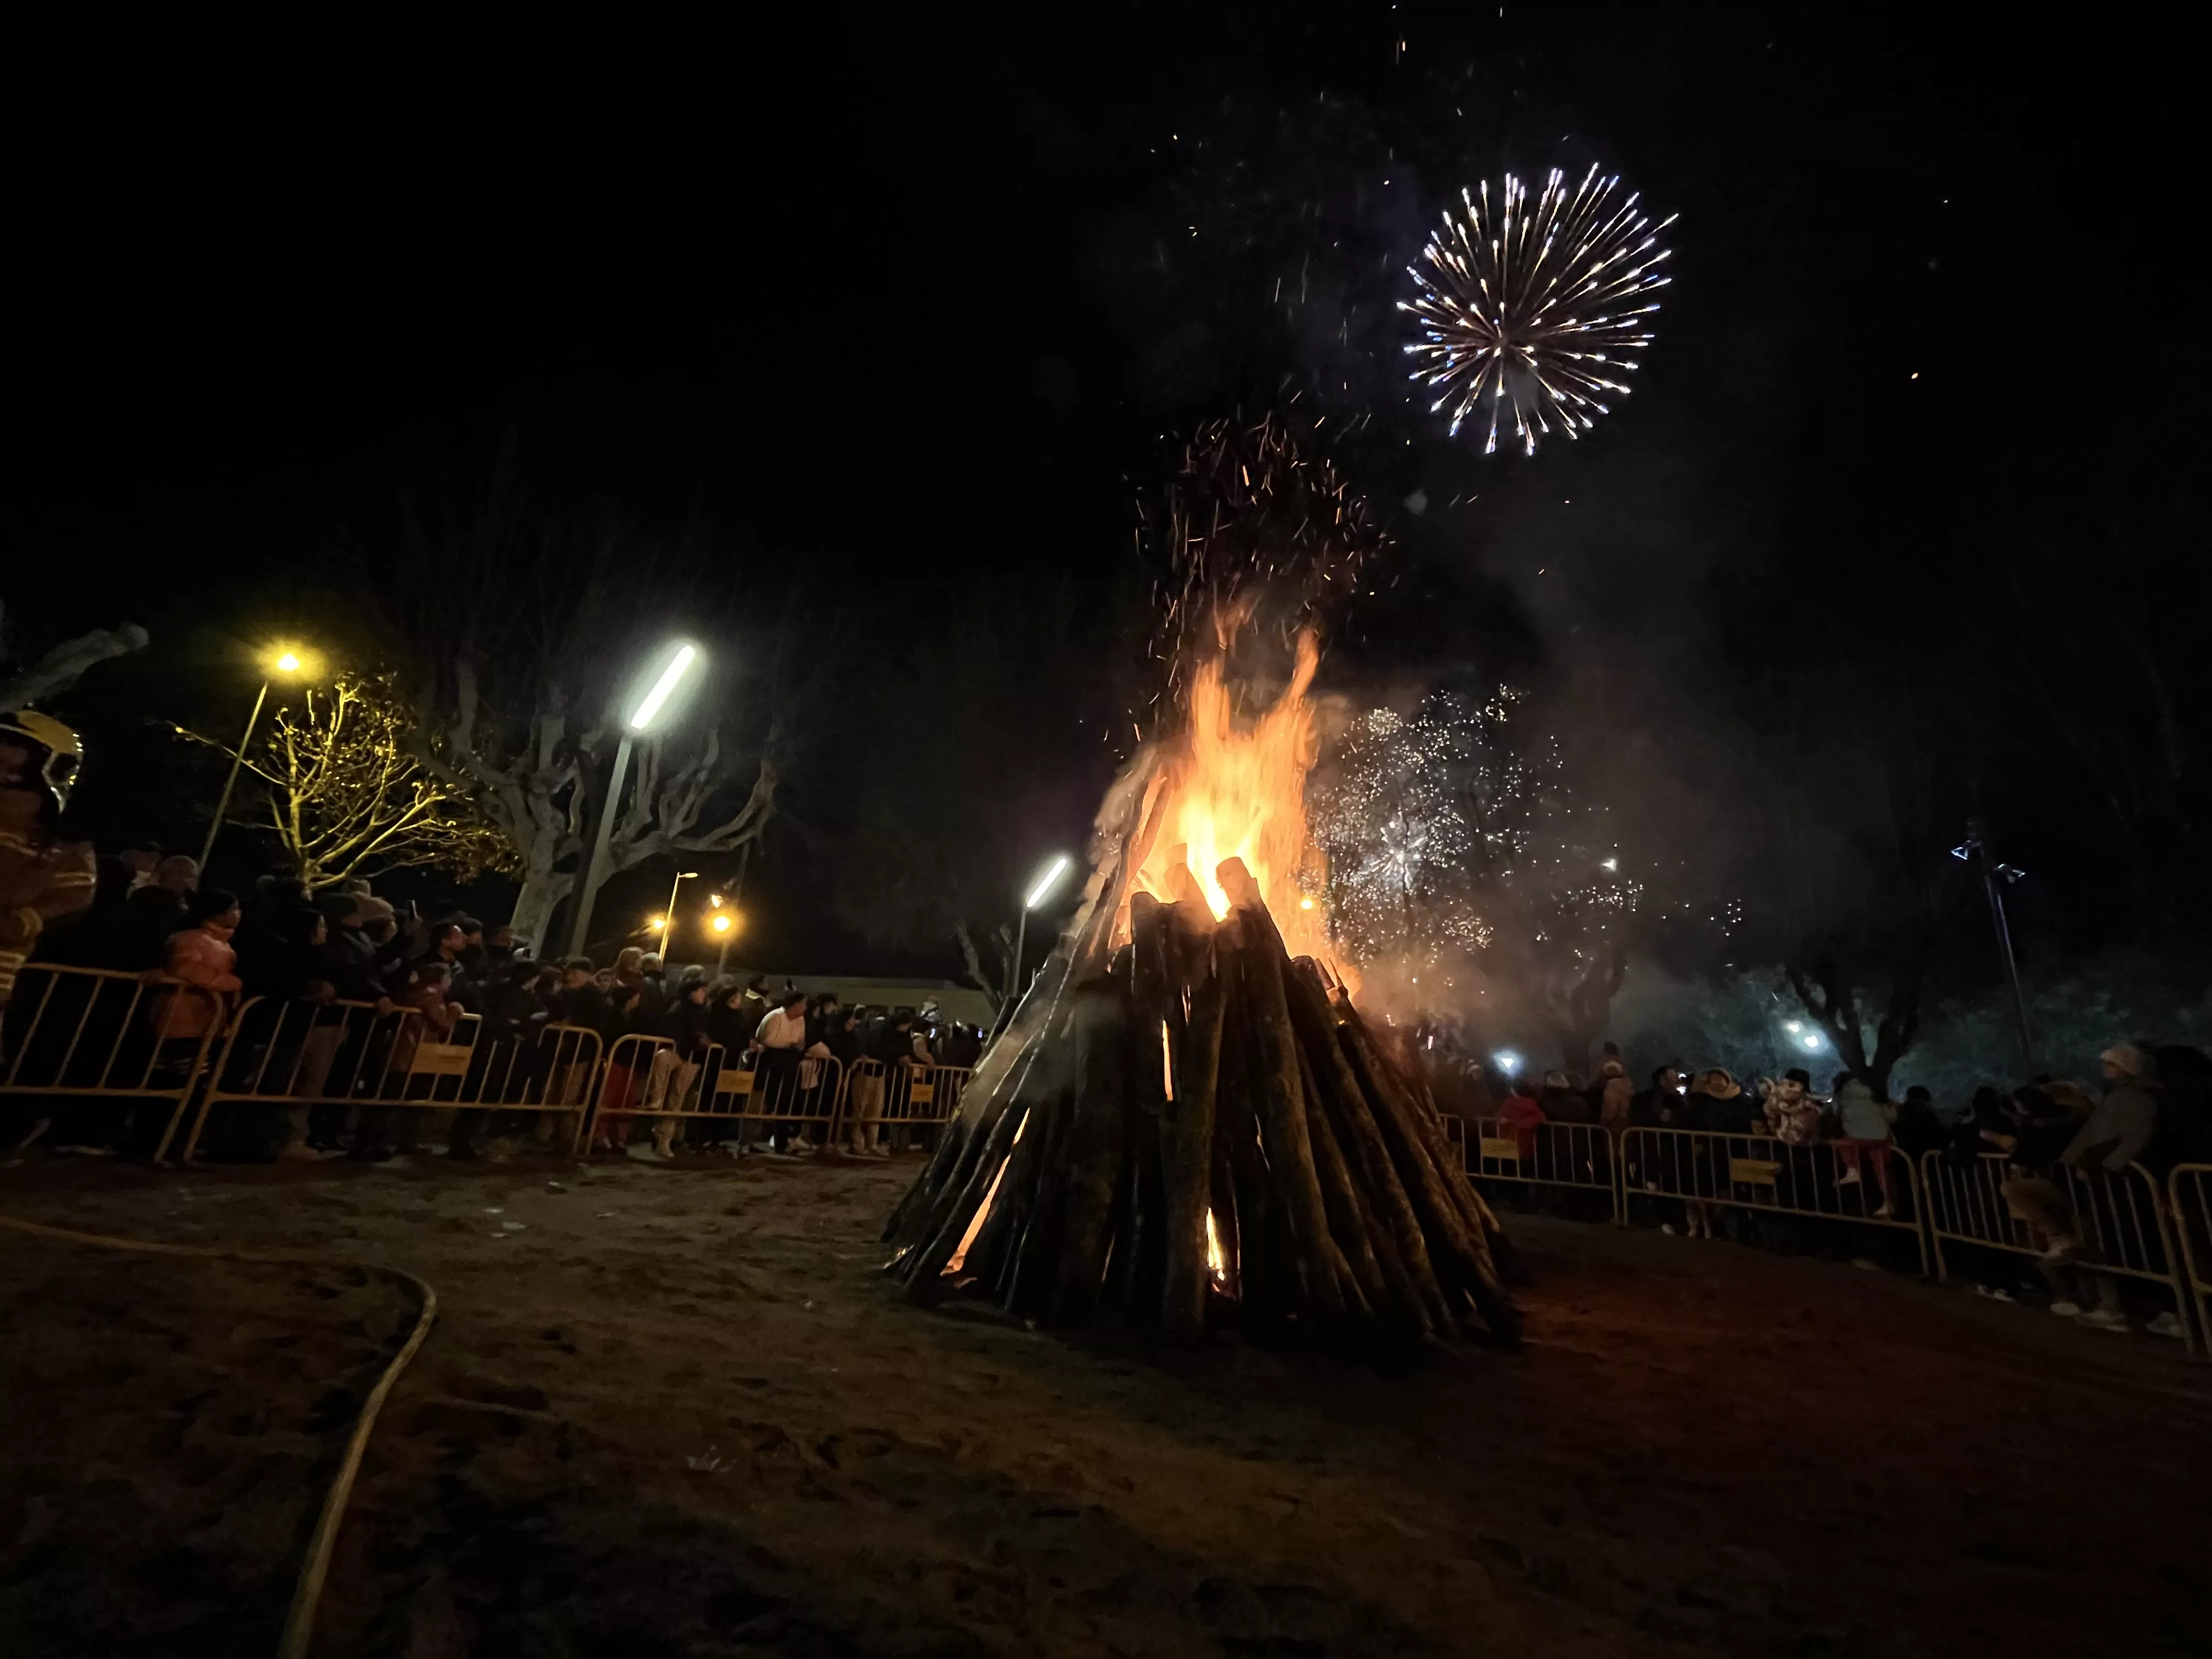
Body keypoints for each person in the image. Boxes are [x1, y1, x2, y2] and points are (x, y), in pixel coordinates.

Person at [2002, 1043, 2169, 1335]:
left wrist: (2105, 1166)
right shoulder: (2117, 1097)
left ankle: (2119, 1308)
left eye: (2112, 1064)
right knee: (2093, 1242)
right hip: (2087, 1179)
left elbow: (2131, 1137)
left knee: (2099, 1241)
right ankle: (2108, 1305)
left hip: (2105, 1181)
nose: (2106, 1069)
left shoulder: (2134, 1099)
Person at [0, 709, 95, 1013]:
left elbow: (74, 892)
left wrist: (27, 919)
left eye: (17, 765)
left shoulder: (58, 847)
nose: (4, 774)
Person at [1831, 1070, 1898, 1218]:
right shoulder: (1876, 1094)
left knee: (1842, 1143)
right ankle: (1889, 1204)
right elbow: (1891, 1116)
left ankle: (1852, 1169)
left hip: (1858, 1142)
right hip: (1883, 1139)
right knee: (1882, 1170)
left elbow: (1835, 1113)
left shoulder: (1843, 1096)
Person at [752, 988, 811, 1153]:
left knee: (788, 1103)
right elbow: (768, 1040)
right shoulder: (775, 1017)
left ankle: (783, 1141)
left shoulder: (800, 1020)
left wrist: (799, 1046)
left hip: (790, 1065)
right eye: (804, 1004)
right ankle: (761, 1139)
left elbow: (800, 1039)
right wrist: (789, 1045)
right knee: (773, 1102)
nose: (806, 1007)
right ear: (796, 1005)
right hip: (772, 1065)